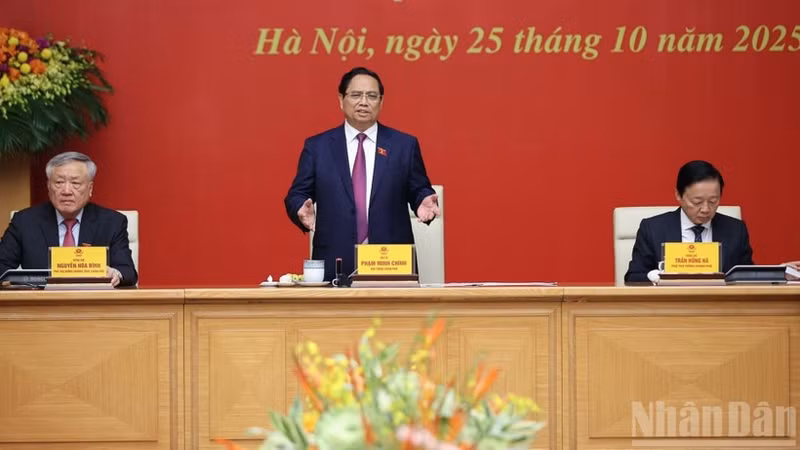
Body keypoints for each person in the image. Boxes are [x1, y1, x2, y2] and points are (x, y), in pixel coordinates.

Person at [284, 67, 439, 281]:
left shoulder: (404, 145)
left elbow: (419, 189)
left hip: (390, 263)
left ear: (381, 102)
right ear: (341, 99)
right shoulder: (318, 147)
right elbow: (297, 194)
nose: (364, 102)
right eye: (356, 95)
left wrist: (423, 200)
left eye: (372, 96)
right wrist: (300, 207)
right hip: (334, 262)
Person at [0, 151, 138, 287]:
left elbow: (127, 271)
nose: (66, 191)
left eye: (75, 183)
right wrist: (27, 281)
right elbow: (2, 266)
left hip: (93, 304)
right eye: (59, 182)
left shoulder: (112, 222)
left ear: (90, 188)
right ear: (48, 186)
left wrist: (115, 274)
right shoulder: (25, 221)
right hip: (41, 304)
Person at [624, 160, 754, 283]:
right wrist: (657, 276)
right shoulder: (653, 229)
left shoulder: (736, 230)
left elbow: (748, 277)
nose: (706, 209)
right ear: (678, 195)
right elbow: (634, 277)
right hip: (671, 303)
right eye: (697, 202)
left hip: (719, 304)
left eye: (713, 201)